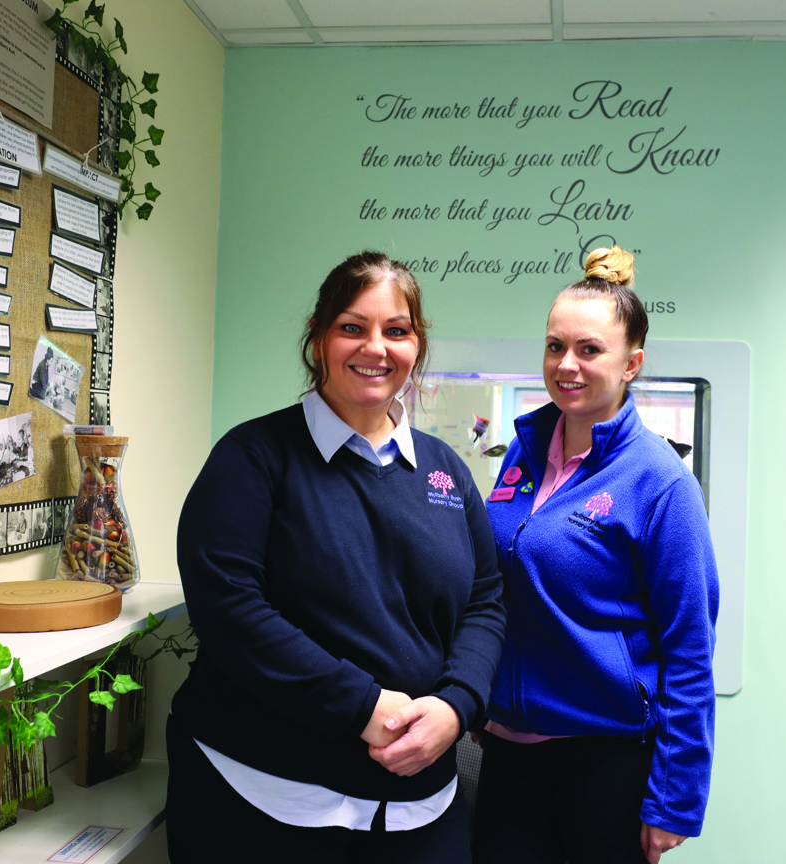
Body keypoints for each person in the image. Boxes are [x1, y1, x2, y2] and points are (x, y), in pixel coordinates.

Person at [170, 252, 505, 864]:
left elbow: (486, 601)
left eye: (395, 330)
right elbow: (229, 611)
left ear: (416, 344)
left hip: (421, 804)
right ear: (319, 340)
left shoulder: (446, 470)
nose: (375, 347)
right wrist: (361, 706)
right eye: (353, 327)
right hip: (263, 797)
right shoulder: (254, 457)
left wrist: (456, 707)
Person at [473, 246, 719, 864]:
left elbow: (689, 649)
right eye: (556, 347)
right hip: (505, 752)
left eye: (589, 350)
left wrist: (676, 800)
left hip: (604, 761)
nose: (567, 365)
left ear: (632, 363)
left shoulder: (660, 482)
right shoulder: (522, 451)